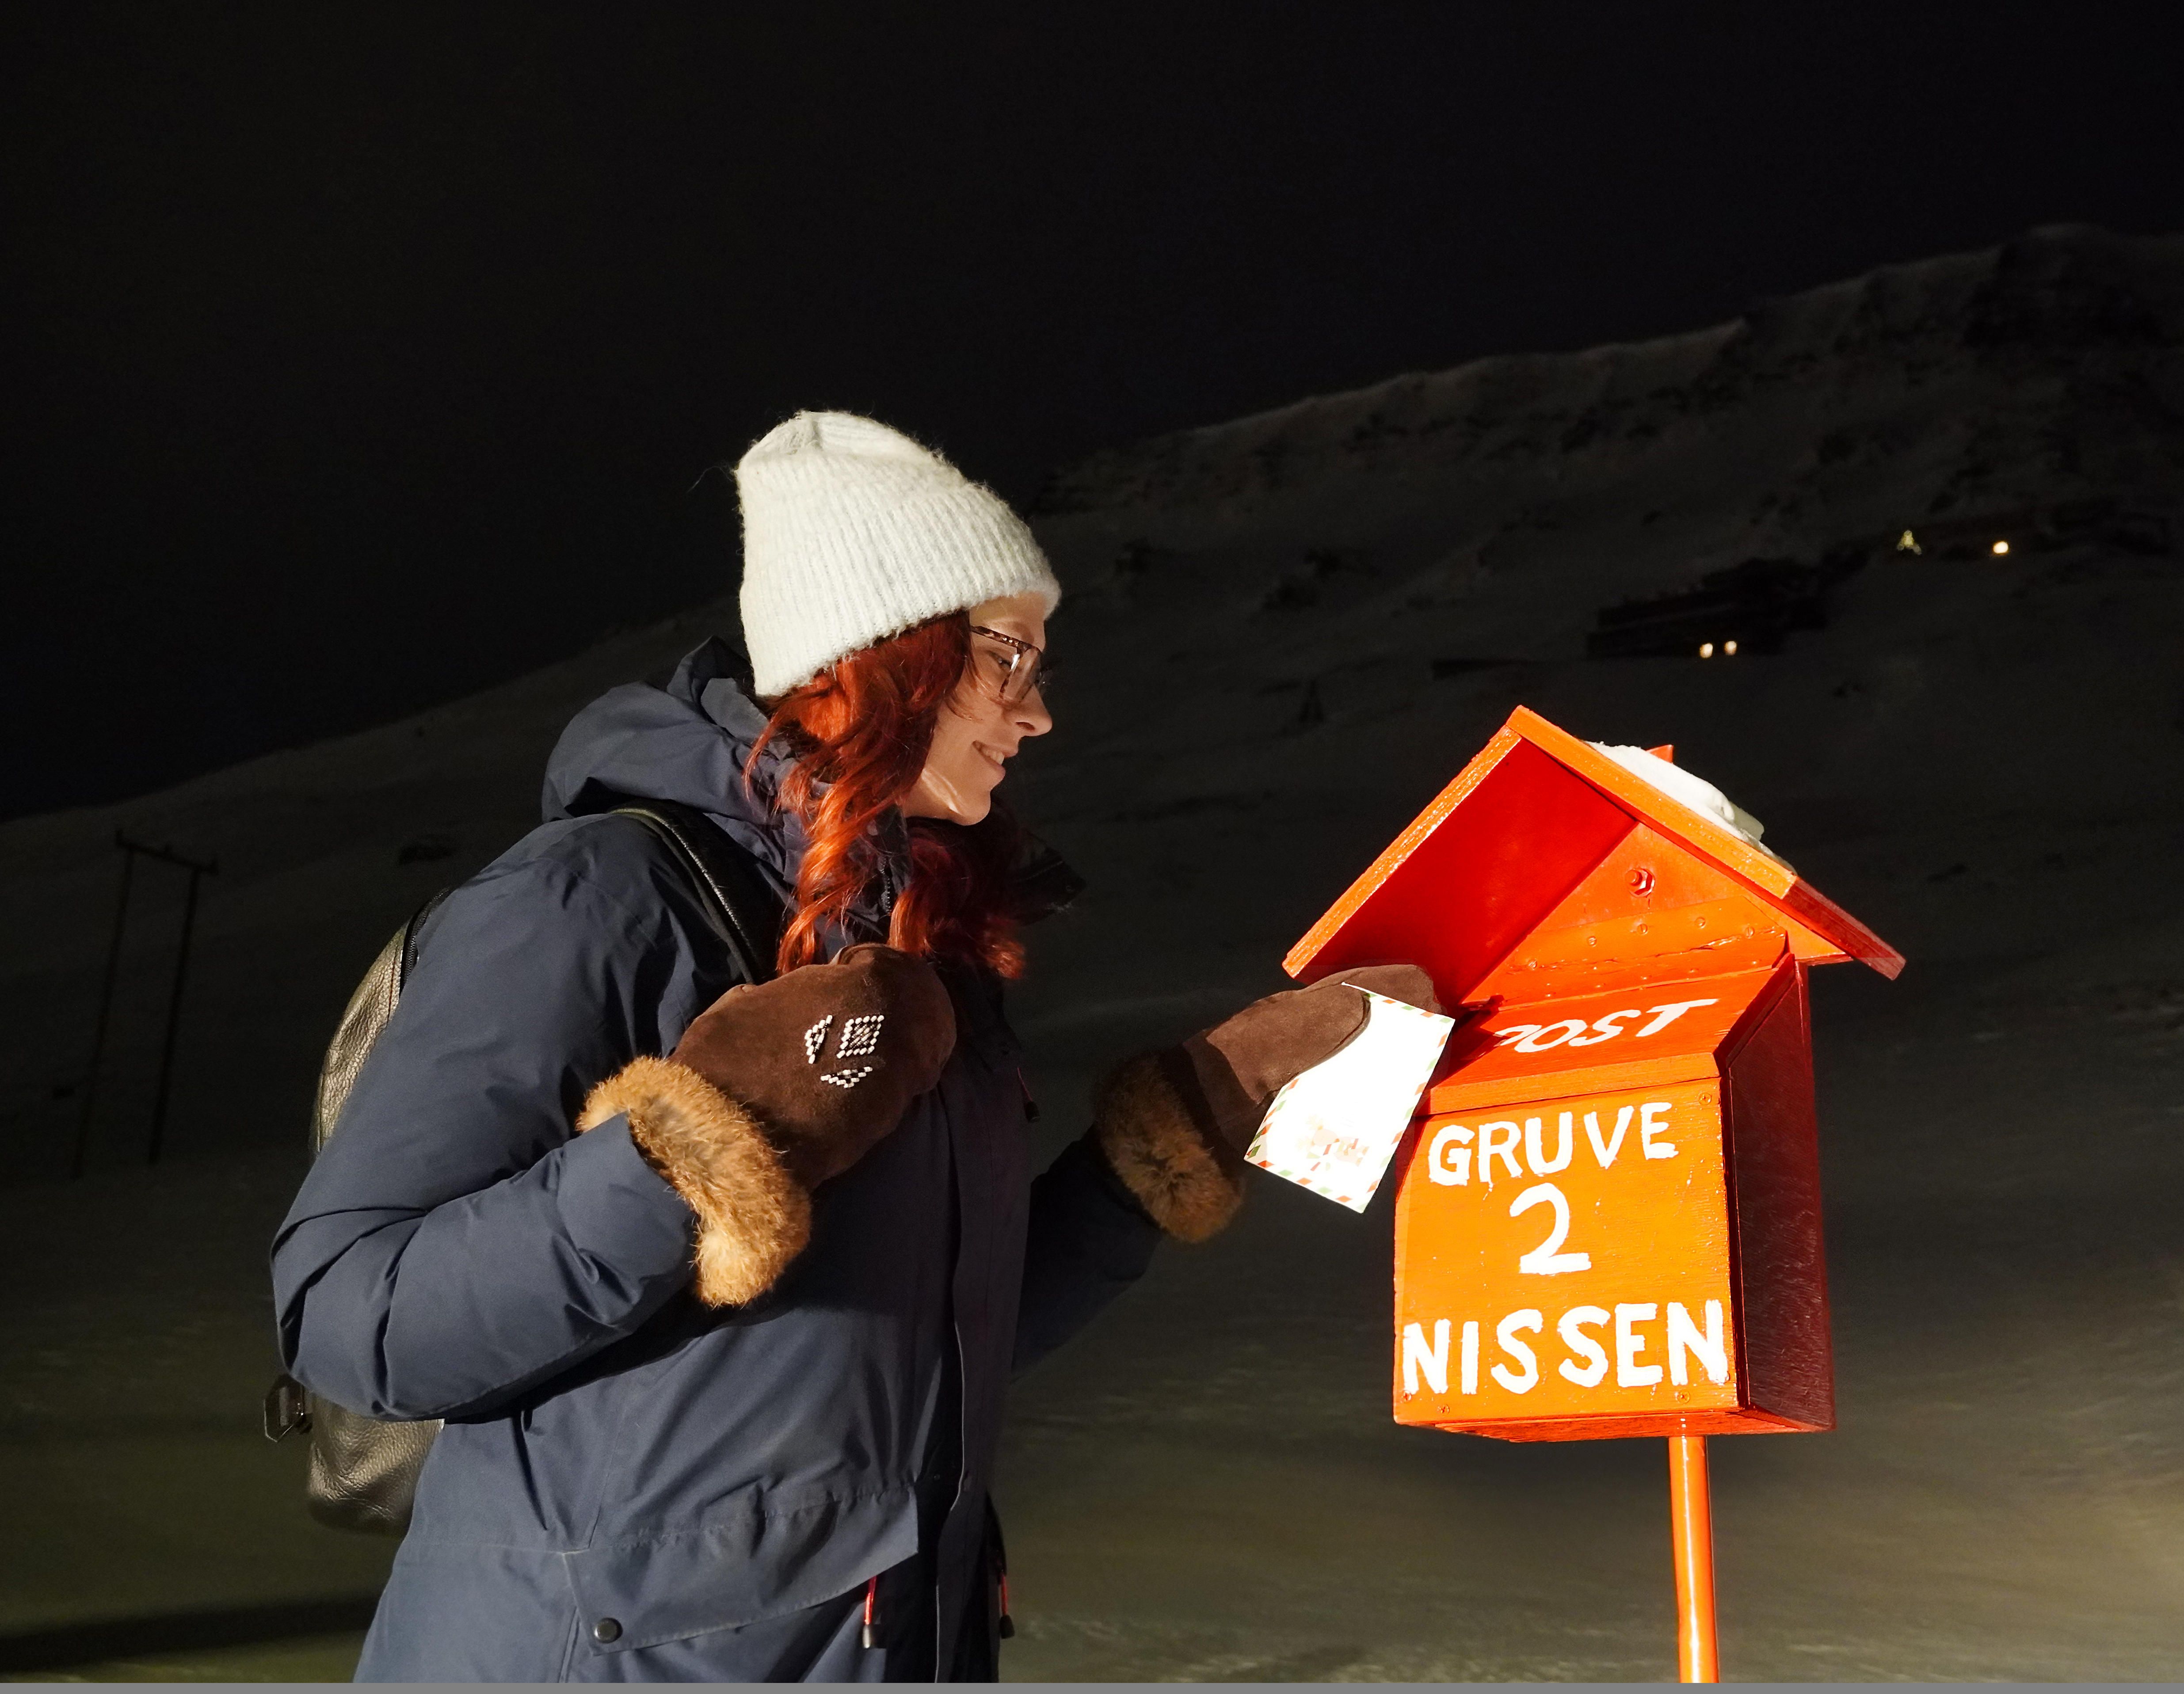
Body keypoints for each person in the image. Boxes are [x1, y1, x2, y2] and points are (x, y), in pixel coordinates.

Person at [271, 411, 1437, 1681]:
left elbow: (925, 1340)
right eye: (1006, 656)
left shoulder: (923, 948)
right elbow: (351, 1314)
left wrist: (1173, 1133)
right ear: (882, 654)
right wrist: (684, 1155)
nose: (1037, 714)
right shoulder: (598, 897)